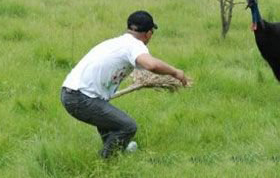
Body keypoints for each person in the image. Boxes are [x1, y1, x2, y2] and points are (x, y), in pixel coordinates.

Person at [61, 10, 188, 158]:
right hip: (81, 98)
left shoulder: (116, 42)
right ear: (148, 33)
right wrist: (175, 72)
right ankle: (105, 163)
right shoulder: (134, 45)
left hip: (70, 92)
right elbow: (151, 65)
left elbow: (142, 67)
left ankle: (122, 151)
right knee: (127, 126)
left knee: (111, 124)